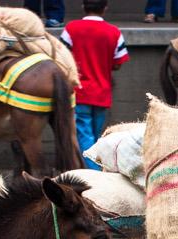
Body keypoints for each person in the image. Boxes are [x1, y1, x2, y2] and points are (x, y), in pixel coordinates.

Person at [61, 0, 129, 170]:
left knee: (84, 135)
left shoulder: (71, 28)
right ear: (105, 8)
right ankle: (97, 169)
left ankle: (94, 174)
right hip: (102, 93)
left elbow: (61, 56)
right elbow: (118, 63)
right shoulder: (114, 32)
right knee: (95, 135)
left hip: (79, 93)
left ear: (83, 7)